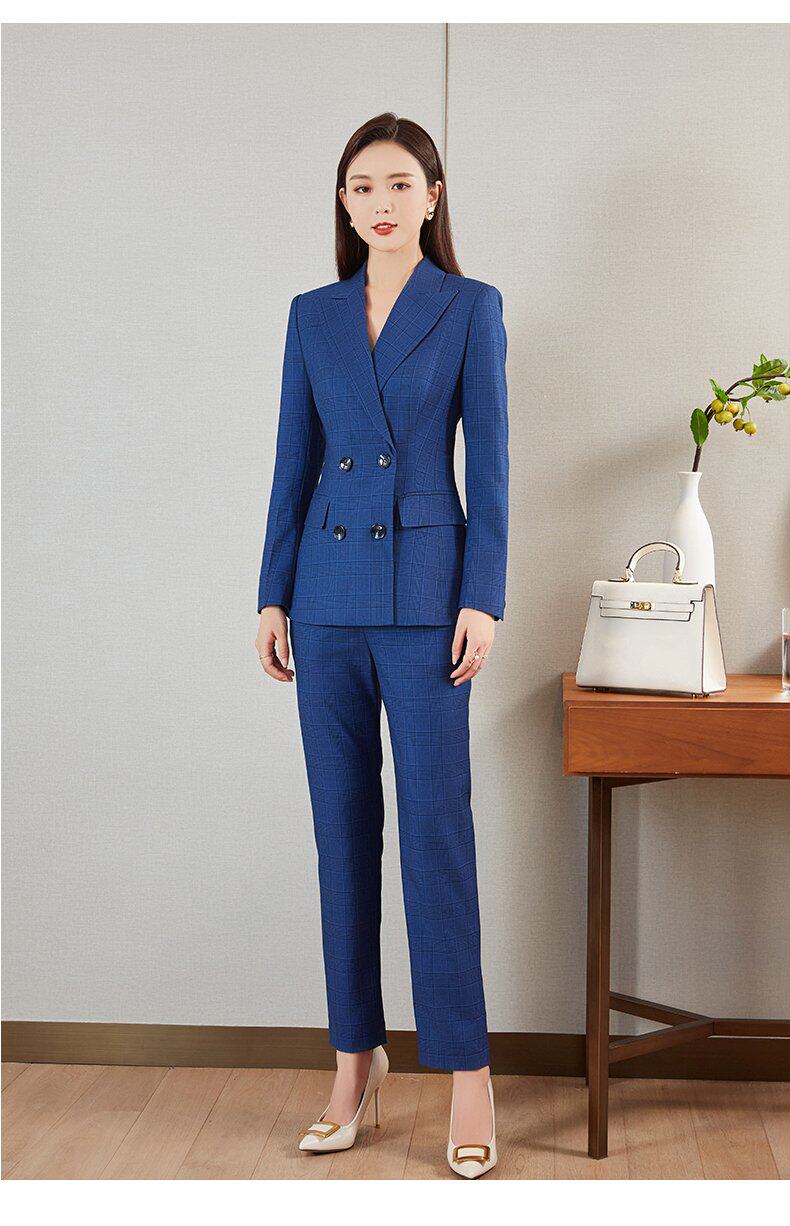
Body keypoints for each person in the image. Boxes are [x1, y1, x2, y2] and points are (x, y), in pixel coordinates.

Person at [255, 111, 508, 1179]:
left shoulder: (469, 306)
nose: (381, 202)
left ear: (433, 195)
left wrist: (482, 597)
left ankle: (467, 1070)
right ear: (344, 202)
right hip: (325, 597)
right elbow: (293, 460)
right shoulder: (312, 315)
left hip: (428, 598)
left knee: (436, 834)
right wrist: (272, 594)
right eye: (362, 185)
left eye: (400, 182)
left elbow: (490, 462)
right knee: (343, 834)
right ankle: (354, 1061)